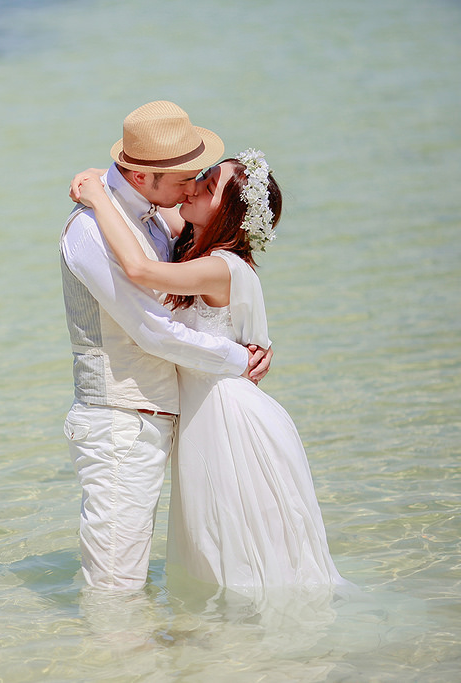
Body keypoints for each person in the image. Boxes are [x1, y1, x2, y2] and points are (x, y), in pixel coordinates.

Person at [71, 149, 349, 595]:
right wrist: (103, 178)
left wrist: (98, 198)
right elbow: (147, 195)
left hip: (226, 415)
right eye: (201, 175)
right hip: (202, 412)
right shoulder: (192, 238)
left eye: (208, 184)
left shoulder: (220, 265)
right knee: (213, 543)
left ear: (228, 213)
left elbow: (140, 269)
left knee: (238, 545)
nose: (194, 186)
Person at [59, 101, 272, 592]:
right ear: (141, 177)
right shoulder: (92, 228)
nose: (192, 187)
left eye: (199, 179)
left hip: (161, 420)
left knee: (174, 569)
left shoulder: (157, 218)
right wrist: (239, 359)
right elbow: (152, 330)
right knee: (117, 581)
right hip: (120, 422)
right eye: (184, 178)